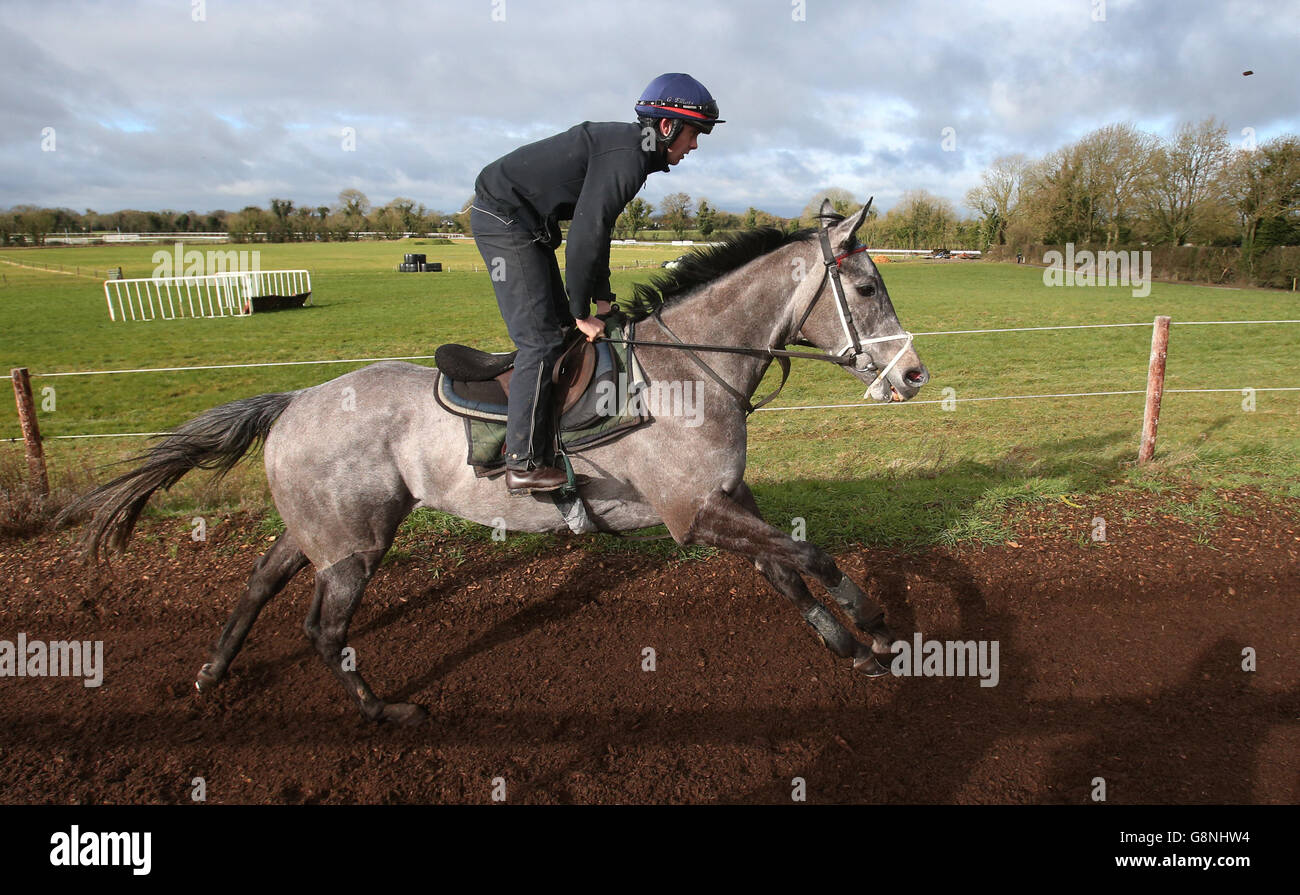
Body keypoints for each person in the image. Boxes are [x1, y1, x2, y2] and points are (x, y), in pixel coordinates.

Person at [470, 73, 723, 494]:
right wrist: (580, 313)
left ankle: (555, 437)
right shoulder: (628, 157)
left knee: (554, 333)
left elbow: (598, 231)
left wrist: (603, 300)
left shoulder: (632, 154)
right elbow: (585, 234)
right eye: (694, 134)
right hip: (504, 219)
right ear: (667, 127)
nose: (694, 146)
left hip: (525, 222)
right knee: (542, 340)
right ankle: (522, 463)